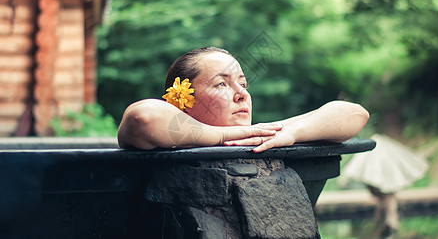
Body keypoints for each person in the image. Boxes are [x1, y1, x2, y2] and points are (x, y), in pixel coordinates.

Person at [118, 46, 370, 152]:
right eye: (221, 84)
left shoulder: (263, 136)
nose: (242, 93)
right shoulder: (167, 139)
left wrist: (292, 133)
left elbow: (355, 114)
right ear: (183, 102)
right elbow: (143, 118)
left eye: (243, 83)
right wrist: (221, 136)